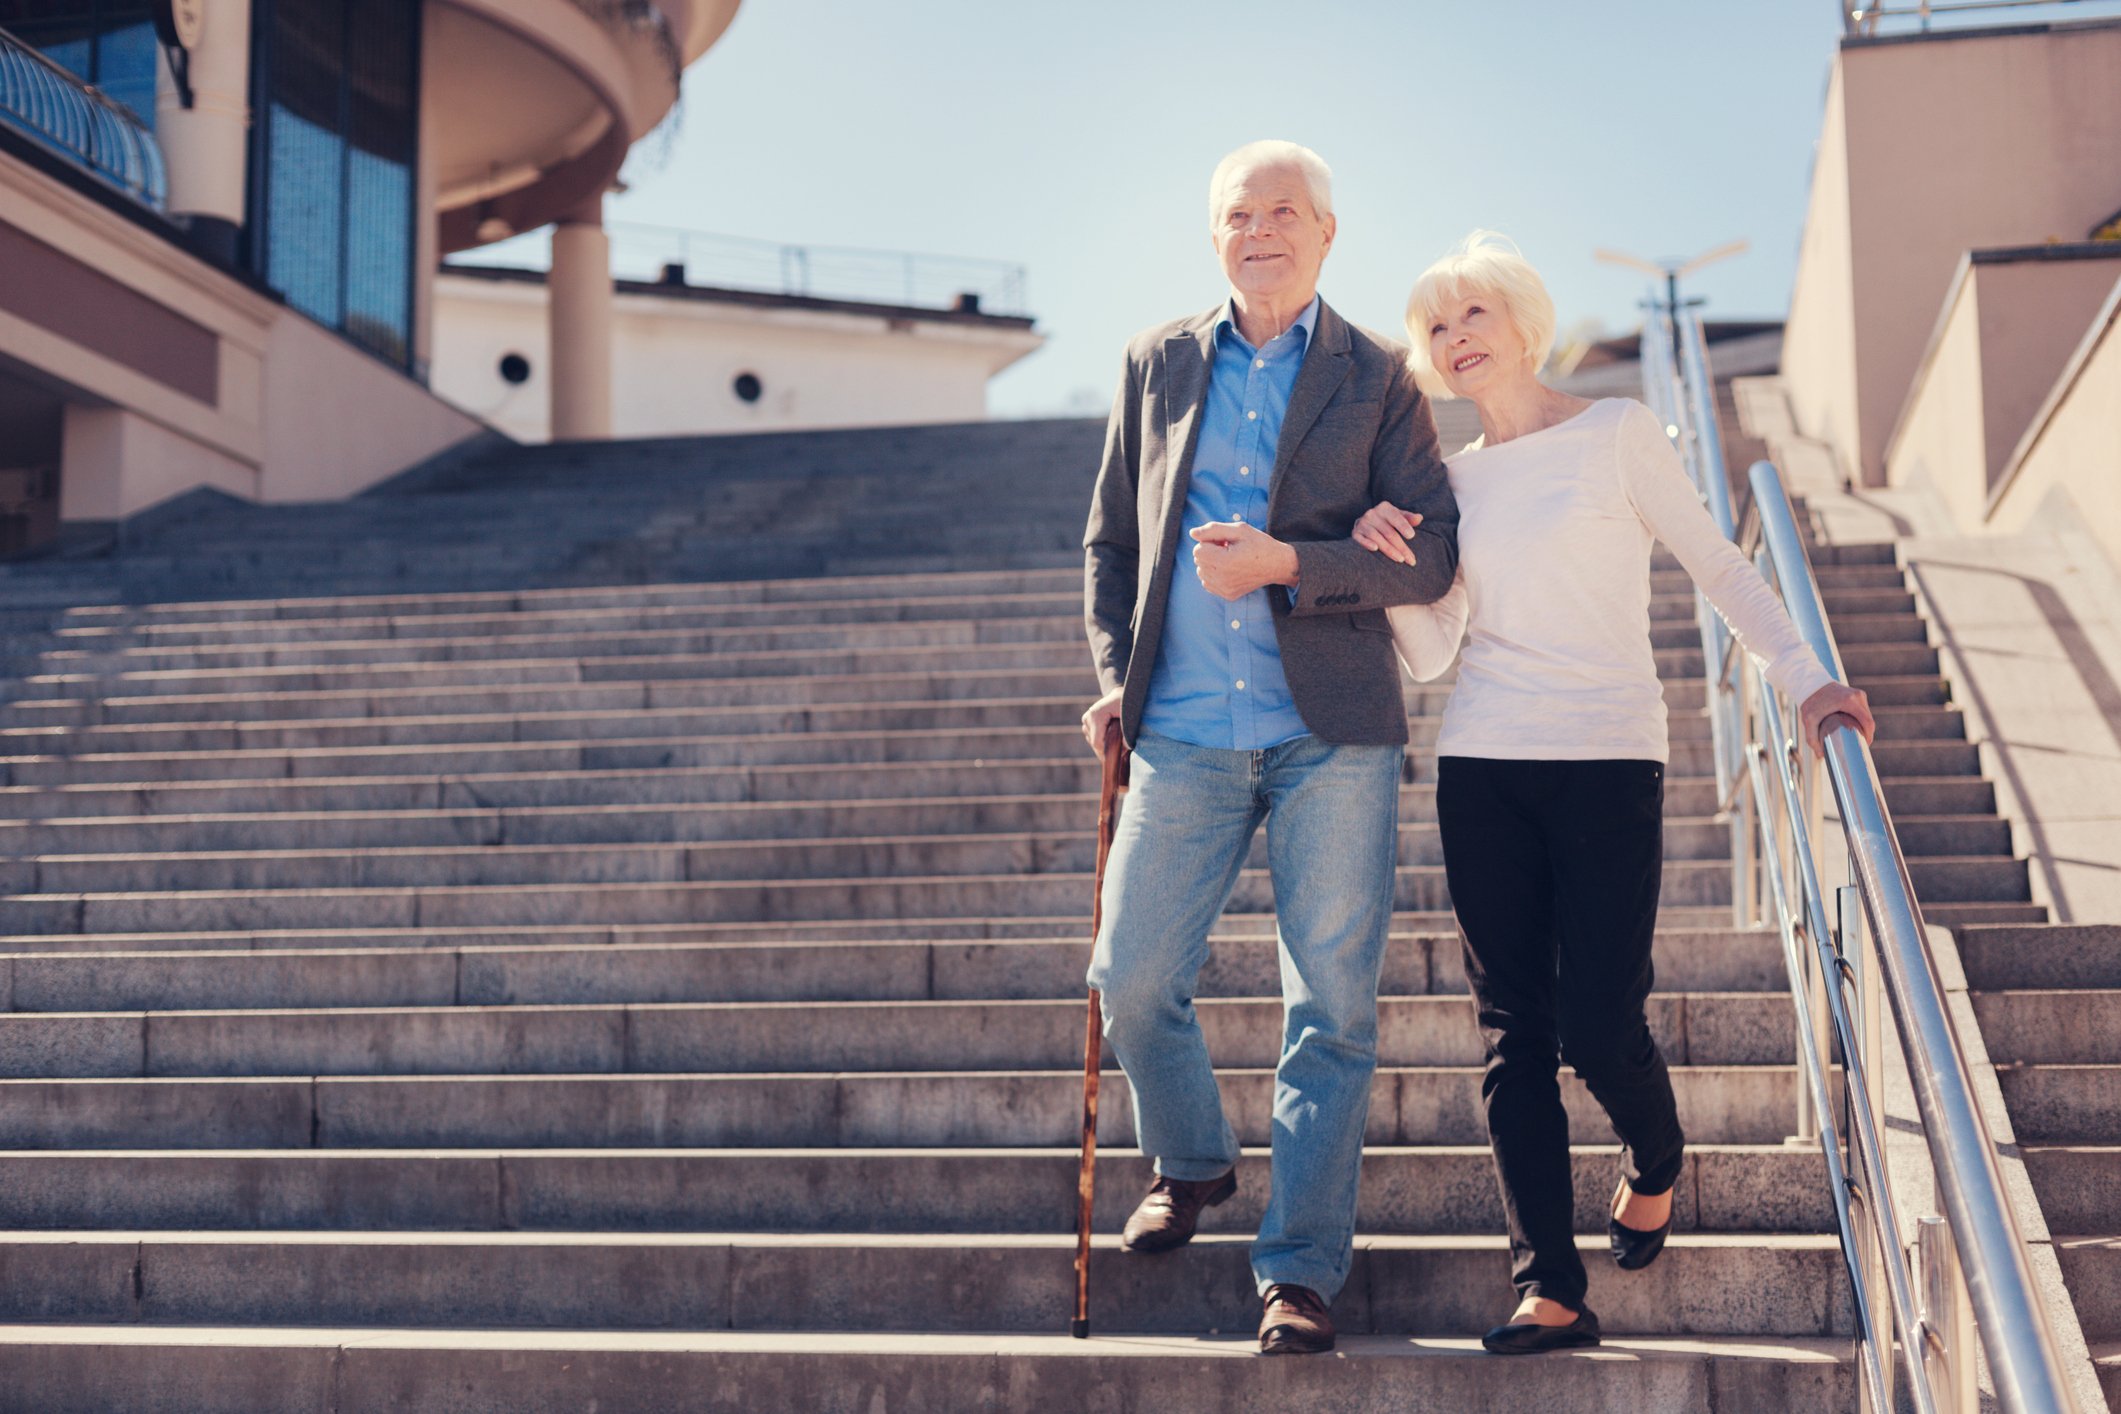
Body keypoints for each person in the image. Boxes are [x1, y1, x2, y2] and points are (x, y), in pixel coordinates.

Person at [1354, 231, 1874, 1355]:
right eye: (1436, 329)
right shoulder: (1443, 480)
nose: (1455, 340)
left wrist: (1806, 680)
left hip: (1606, 757)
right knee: (1512, 1035)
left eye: (1473, 316)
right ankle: (1549, 1284)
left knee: (1599, 1017)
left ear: (1523, 323)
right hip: (1484, 766)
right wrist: (1394, 567)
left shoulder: (1616, 433)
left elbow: (1719, 564)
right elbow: (1437, 651)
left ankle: (1658, 1153)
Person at [1079, 139, 1460, 1355]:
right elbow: (1107, 549)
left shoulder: (1380, 376)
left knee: (1332, 1008)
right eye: (1239, 212)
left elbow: (1436, 550)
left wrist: (1297, 561)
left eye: (1284, 211)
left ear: (1327, 233)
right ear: (1214, 236)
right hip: (1182, 733)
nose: (1260, 228)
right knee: (1129, 980)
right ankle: (1191, 1158)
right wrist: (1112, 683)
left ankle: (1298, 1270)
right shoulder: (1156, 363)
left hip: (1328, 732)